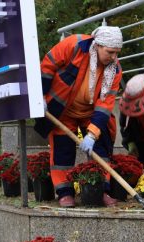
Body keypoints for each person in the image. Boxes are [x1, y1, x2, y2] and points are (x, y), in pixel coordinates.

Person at [34, 26, 123, 207]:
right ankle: (65, 193)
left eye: (117, 53)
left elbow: (105, 105)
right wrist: (40, 95)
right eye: (110, 52)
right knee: (62, 151)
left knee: (101, 150)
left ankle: (101, 191)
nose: (113, 57)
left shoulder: (115, 70)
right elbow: (47, 66)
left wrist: (91, 135)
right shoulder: (74, 45)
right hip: (62, 110)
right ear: (98, 45)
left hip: (91, 113)